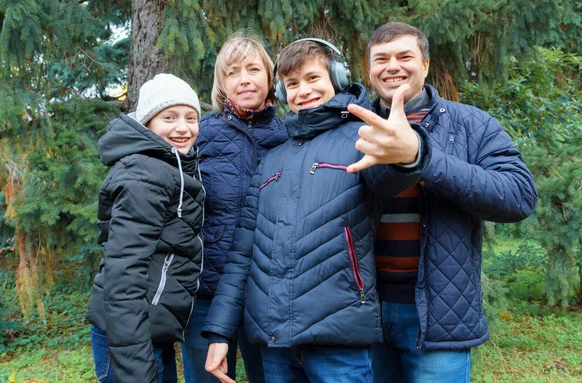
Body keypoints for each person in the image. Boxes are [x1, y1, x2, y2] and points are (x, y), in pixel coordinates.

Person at [202, 38, 431, 383]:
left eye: (312, 79)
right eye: (292, 84)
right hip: (275, 341)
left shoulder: (363, 137)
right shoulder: (273, 158)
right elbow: (242, 254)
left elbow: (393, 174)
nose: (302, 91)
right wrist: (220, 334)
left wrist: (409, 152)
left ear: (337, 78)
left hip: (338, 339)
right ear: (281, 93)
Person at [350, 21, 538, 382]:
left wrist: (422, 156)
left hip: (439, 314)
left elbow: (518, 196)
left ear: (425, 65)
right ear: (370, 69)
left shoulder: (473, 125)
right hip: (361, 313)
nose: (392, 66)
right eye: (381, 58)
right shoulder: (351, 127)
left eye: (405, 56)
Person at [180, 33, 288, 383]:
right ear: (221, 82)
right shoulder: (199, 135)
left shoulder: (290, 136)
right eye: (233, 72)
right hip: (207, 292)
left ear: (270, 77)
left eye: (254, 69)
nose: (244, 79)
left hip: (268, 295)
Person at [86, 73, 205, 383]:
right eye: (170, 117)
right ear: (148, 123)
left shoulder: (171, 168)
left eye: (191, 117)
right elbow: (124, 274)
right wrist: (137, 370)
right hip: (129, 339)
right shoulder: (145, 174)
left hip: (150, 331)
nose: (183, 127)